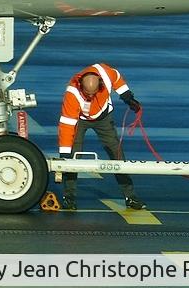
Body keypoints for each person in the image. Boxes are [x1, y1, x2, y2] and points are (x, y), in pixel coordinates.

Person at [58, 62, 145, 210]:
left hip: (104, 117)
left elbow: (118, 79)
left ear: (100, 83)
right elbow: (67, 125)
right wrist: (64, 155)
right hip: (80, 120)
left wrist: (128, 98)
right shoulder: (72, 93)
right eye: (87, 93)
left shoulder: (106, 73)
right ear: (81, 85)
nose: (91, 96)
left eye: (94, 93)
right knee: (72, 158)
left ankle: (130, 197)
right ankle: (69, 197)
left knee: (117, 154)